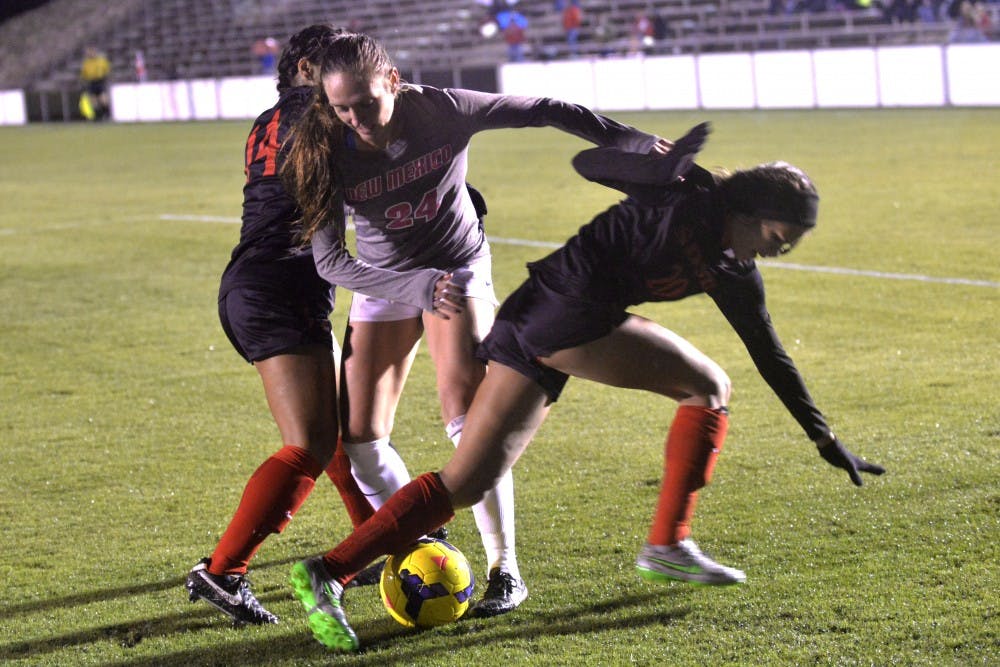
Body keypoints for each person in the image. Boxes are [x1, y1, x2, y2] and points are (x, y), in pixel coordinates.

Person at [285, 123, 886, 652]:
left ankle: (328, 573)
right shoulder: (686, 197)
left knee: (467, 481)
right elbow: (589, 164)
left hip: (535, 320)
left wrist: (823, 437)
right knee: (707, 384)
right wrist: (658, 166)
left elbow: (771, 352)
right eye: (786, 231)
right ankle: (668, 544)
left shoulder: (733, 270)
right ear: (754, 211)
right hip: (565, 312)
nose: (787, 246)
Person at [280, 31, 671, 620]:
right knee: (359, 442)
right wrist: (408, 287)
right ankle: (420, 548)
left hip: (455, 268)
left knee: (467, 418)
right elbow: (332, 261)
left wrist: (632, 142)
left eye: (366, 103)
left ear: (393, 80)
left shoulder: (442, 109)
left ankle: (504, 568)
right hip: (387, 282)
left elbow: (544, 109)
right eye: (341, 108)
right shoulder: (325, 149)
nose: (356, 119)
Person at [185, 24, 384, 627]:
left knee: (329, 428)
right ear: (304, 68)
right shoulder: (325, 120)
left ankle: (370, 538)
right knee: (311, 442)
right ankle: (224, 571)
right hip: (279, 287)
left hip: (261, 284)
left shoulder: (266, 121)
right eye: (327, 65)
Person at [79, 46, 111, 121]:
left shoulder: (101, 60)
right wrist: (83, 81)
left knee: (103, 99)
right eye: (88, 52)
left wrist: (106, 78)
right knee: (93, 101)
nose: (90, 54)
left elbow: (107, 70)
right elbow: (83, 74)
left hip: (100, 81)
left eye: (91, 52)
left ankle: (106, 114)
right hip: (91, 82)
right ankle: (98, 117)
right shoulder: (86, 63)